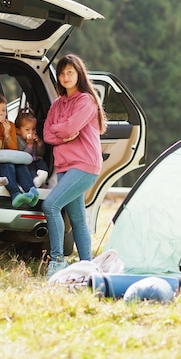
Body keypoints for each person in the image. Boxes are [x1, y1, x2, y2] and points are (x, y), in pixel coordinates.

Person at [42, 54, 107, 278]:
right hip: (64, 166)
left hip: (84, 164)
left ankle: (57, 260)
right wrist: (64, 134)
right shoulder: (57, 104)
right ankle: (87, 267)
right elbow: (47, 134)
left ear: (79, 74)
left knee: (50, 205)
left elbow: (68, 129)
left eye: (70, 72)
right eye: (61, 73)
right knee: (78, 218)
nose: (65, 76)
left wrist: (62, 131)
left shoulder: (86, 100)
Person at [0, 91, 39, 208]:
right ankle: (15, 193)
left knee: (21, 166)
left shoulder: (10, 125)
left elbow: (13, 149)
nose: (1, 113)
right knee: (8, 165)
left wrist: (7, 134)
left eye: (4, 110)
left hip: (7, 157)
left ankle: (31, 191)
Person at [15, 107, 49, 188]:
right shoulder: (18, 140)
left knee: (43, 165)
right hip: (27, 162)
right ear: (18, 130)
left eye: (33, 129)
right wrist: (30, 145)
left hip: (37, 160)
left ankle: (43, 176)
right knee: (30, 169)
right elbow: (23, 156)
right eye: (27, 129)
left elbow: (41, 153)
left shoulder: (35, 138)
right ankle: (35, 179)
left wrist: (39, 144)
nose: (31, 132)